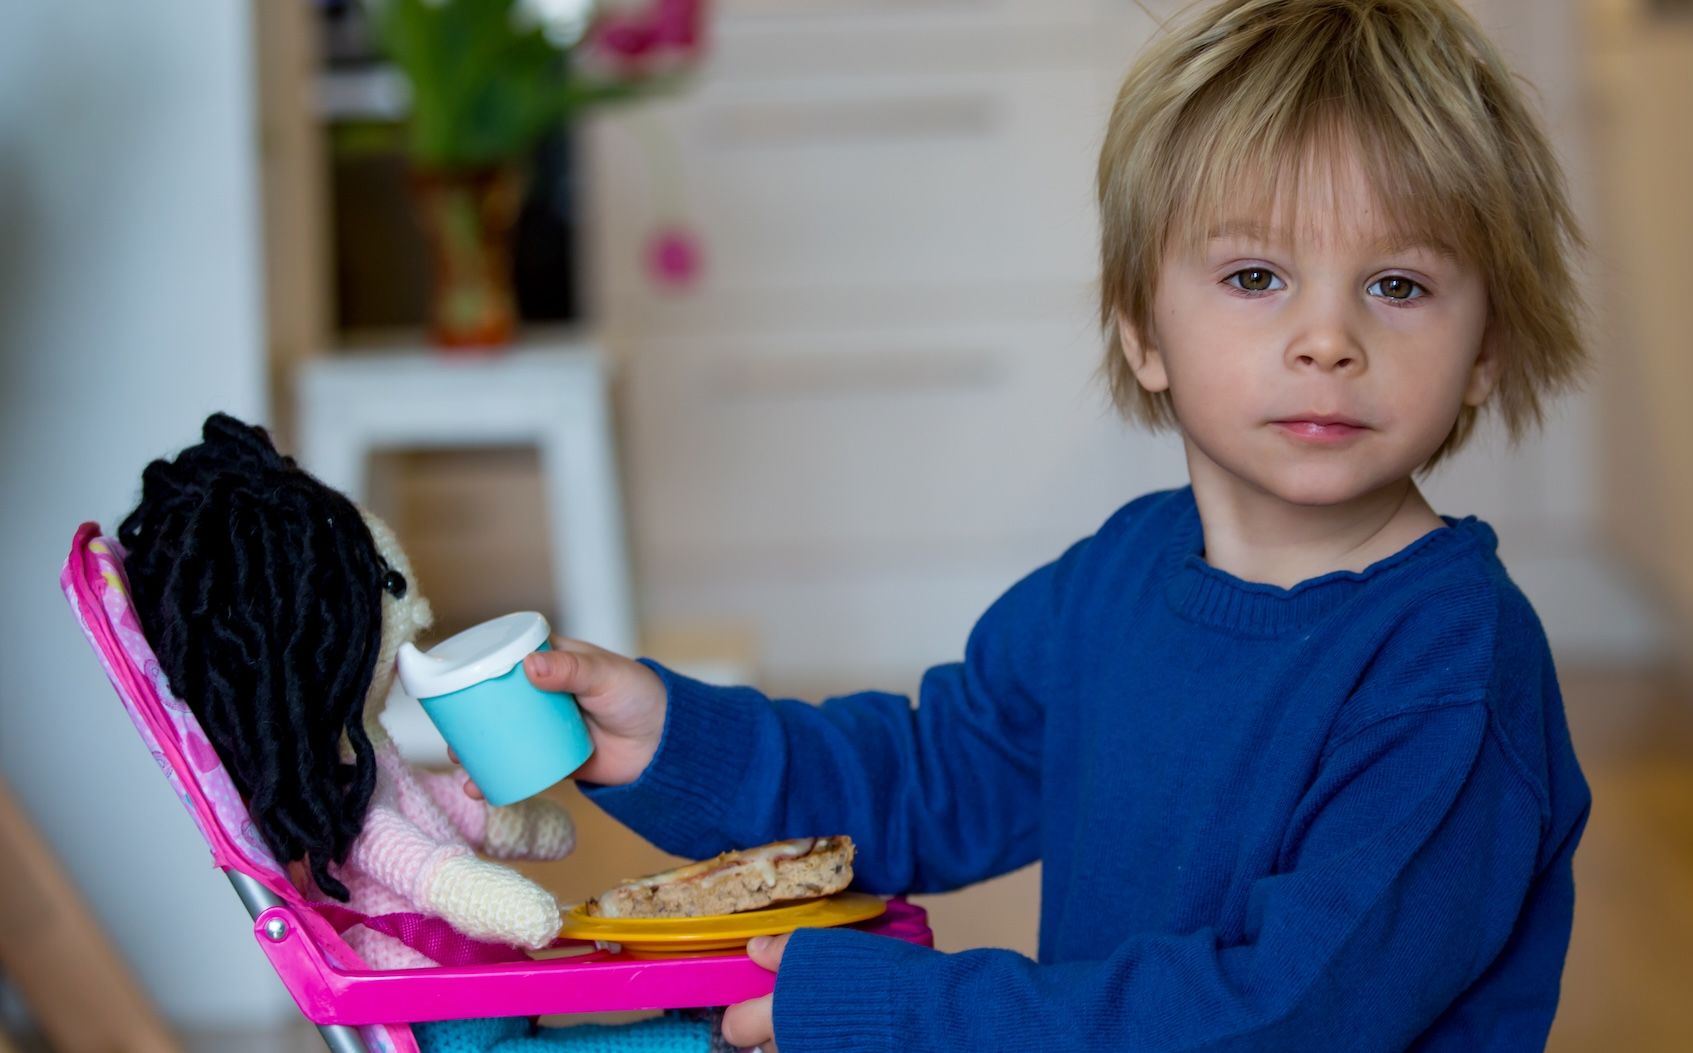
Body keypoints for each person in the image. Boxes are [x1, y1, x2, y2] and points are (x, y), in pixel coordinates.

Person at [493, 0, 1593, 1046]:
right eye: (1257, 275)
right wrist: (678, 741)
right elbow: (928, 778)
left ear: (1485, 349)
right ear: (1143, 332)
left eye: (1397, 286)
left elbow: (1280, 1018)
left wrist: (912, 1019)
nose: (1327, 339)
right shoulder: (1114, 582)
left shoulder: (1453, 667)